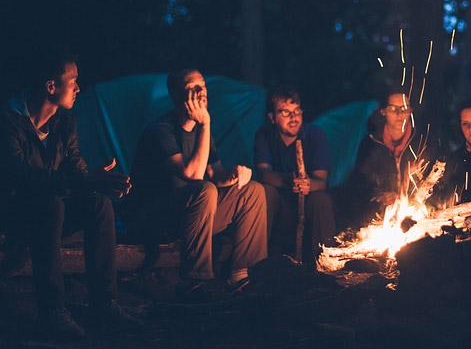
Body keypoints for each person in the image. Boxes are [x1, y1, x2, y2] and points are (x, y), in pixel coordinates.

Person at [0, 50, 141, 339]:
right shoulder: (4, 122)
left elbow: (73, 168)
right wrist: (82, 180)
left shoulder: (63, 123)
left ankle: (105, 302)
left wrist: (94, 182)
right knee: (50, 205)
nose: (79, 88)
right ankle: (52, 310)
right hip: (0, 215)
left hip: (40, 211)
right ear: (51, 86)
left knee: (98, 204)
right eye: (73, 81)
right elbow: (22, 180)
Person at [126, 69, 267, 300]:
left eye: (203, 86)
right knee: (204, 189)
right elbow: (193, 173)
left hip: (192, 217)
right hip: (154, 219)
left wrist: (236, 174)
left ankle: (243, 275)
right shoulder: (160, 130)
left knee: (252, 191)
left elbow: (215, 173)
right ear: (175, 94)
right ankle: (196, 281)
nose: (201, 92)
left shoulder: (203, 133)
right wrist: (205, 123)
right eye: (192, 88)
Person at [254, 85, 335, 262]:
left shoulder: (315, 135)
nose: (293, 117)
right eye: (285, 112)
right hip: (280, 204)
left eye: (297, 111)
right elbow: (263, 173)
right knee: (264, 192)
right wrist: (289, 182)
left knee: (321, 199)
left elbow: (321, 181)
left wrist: (308, 184)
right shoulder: (265, 135)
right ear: (272, 117)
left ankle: (325, 264)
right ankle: (256, 262)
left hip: (307, 202)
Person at [341, 89, 437, 225]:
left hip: (417, 212)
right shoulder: (370, 144)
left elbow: (436, 181)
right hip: (380, 215)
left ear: (411, 111)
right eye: (393, 108)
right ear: (383, 111)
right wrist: (380, 195)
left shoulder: (423, 142)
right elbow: (360, 184)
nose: (399, 114)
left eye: (404, 108)